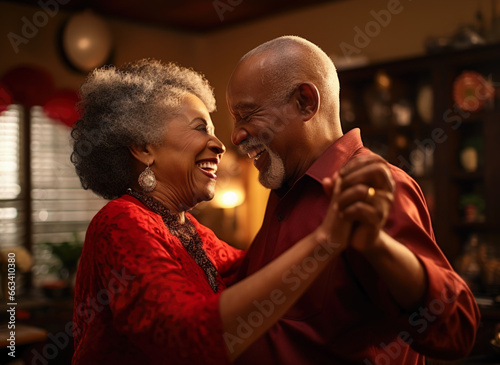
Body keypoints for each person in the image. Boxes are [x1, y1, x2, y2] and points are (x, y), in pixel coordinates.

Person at [70, 59, 381, 364]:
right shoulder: (120, 222)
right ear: (144, 148)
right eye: (200, 128)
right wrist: (326, 239)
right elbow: (184, 338)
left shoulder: (188, 229)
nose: (220, 144)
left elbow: (258, 268)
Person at [226, 36, 481, 364]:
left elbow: (456, 330)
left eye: (247, 115)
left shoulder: (376, 188)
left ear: (305, 102)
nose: (236, 136)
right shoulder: (284, 193)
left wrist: (377, 246)